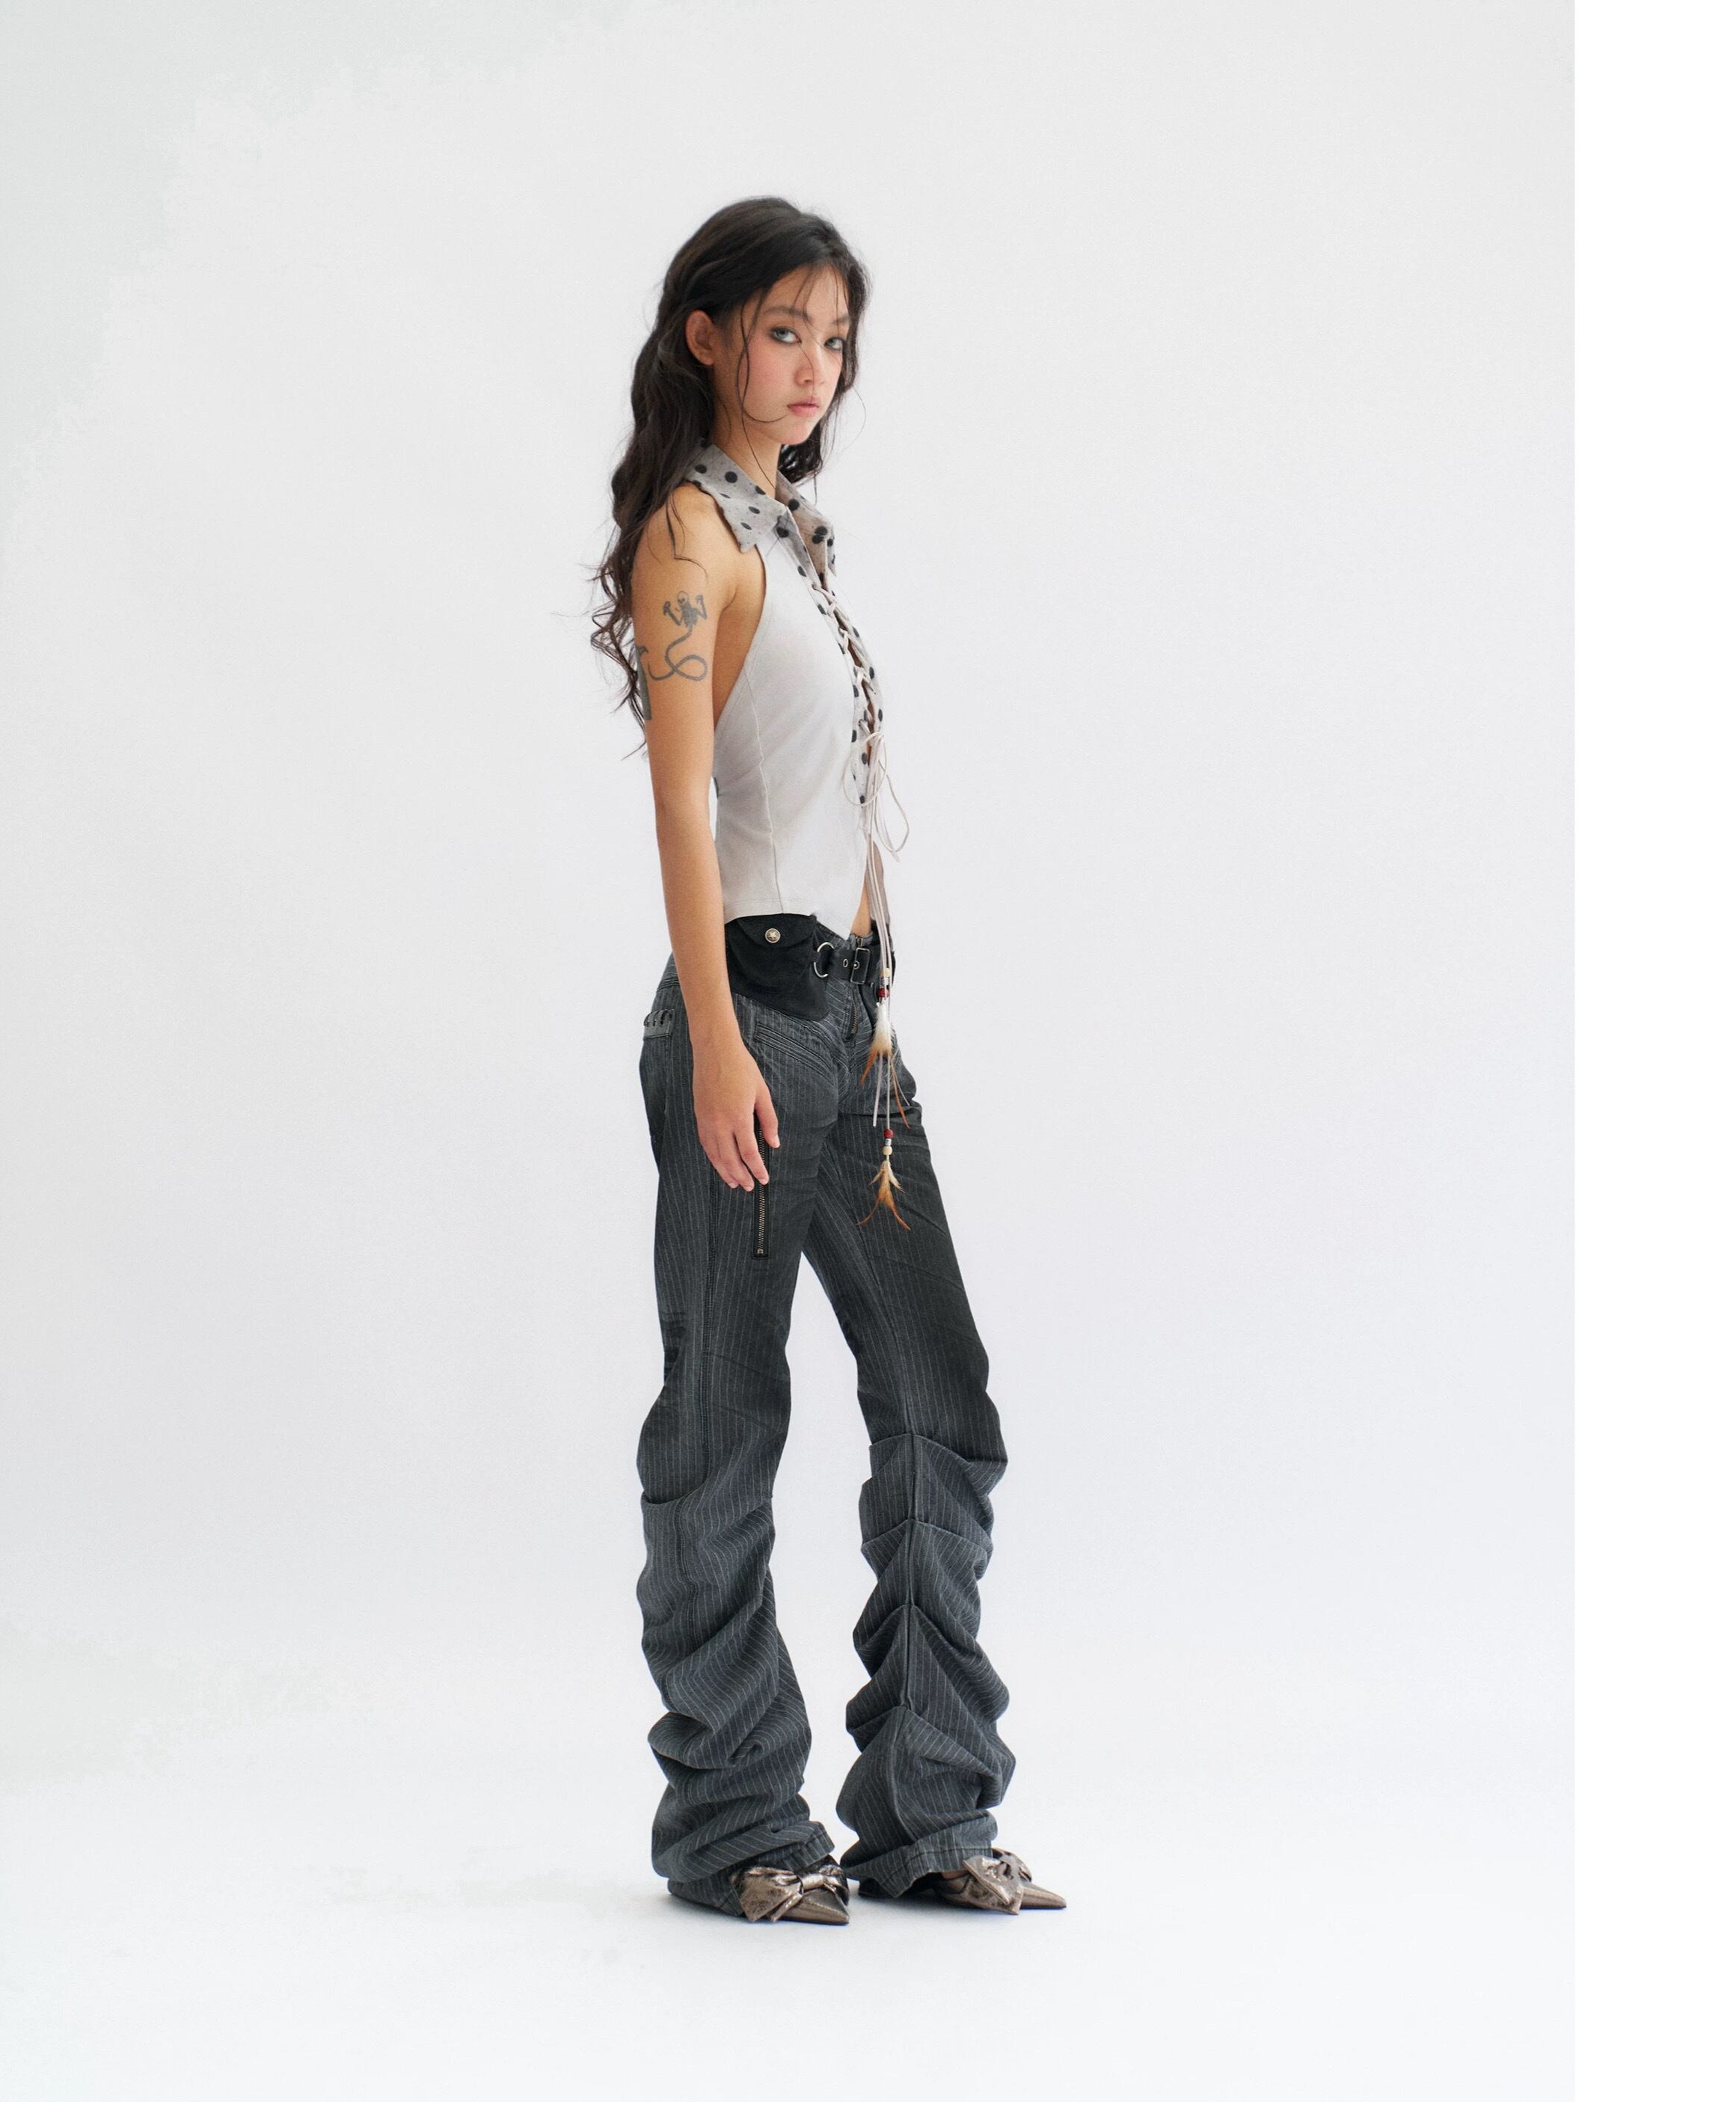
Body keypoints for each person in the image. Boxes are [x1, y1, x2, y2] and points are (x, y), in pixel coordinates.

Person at [590, 197, 1064, 1926]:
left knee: (940, 1401)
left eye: (836, 339)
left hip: (850, 1035)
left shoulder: (786, 533)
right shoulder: (689, 535)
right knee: (726, 1420)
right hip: (747, 1020)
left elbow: (831, 806)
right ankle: (735, 1819)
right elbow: (684, 815)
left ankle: (926, 1807)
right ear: (707, 335)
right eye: (784, 330)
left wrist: (873, 1018)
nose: (814, 366)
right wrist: (721, 1043)